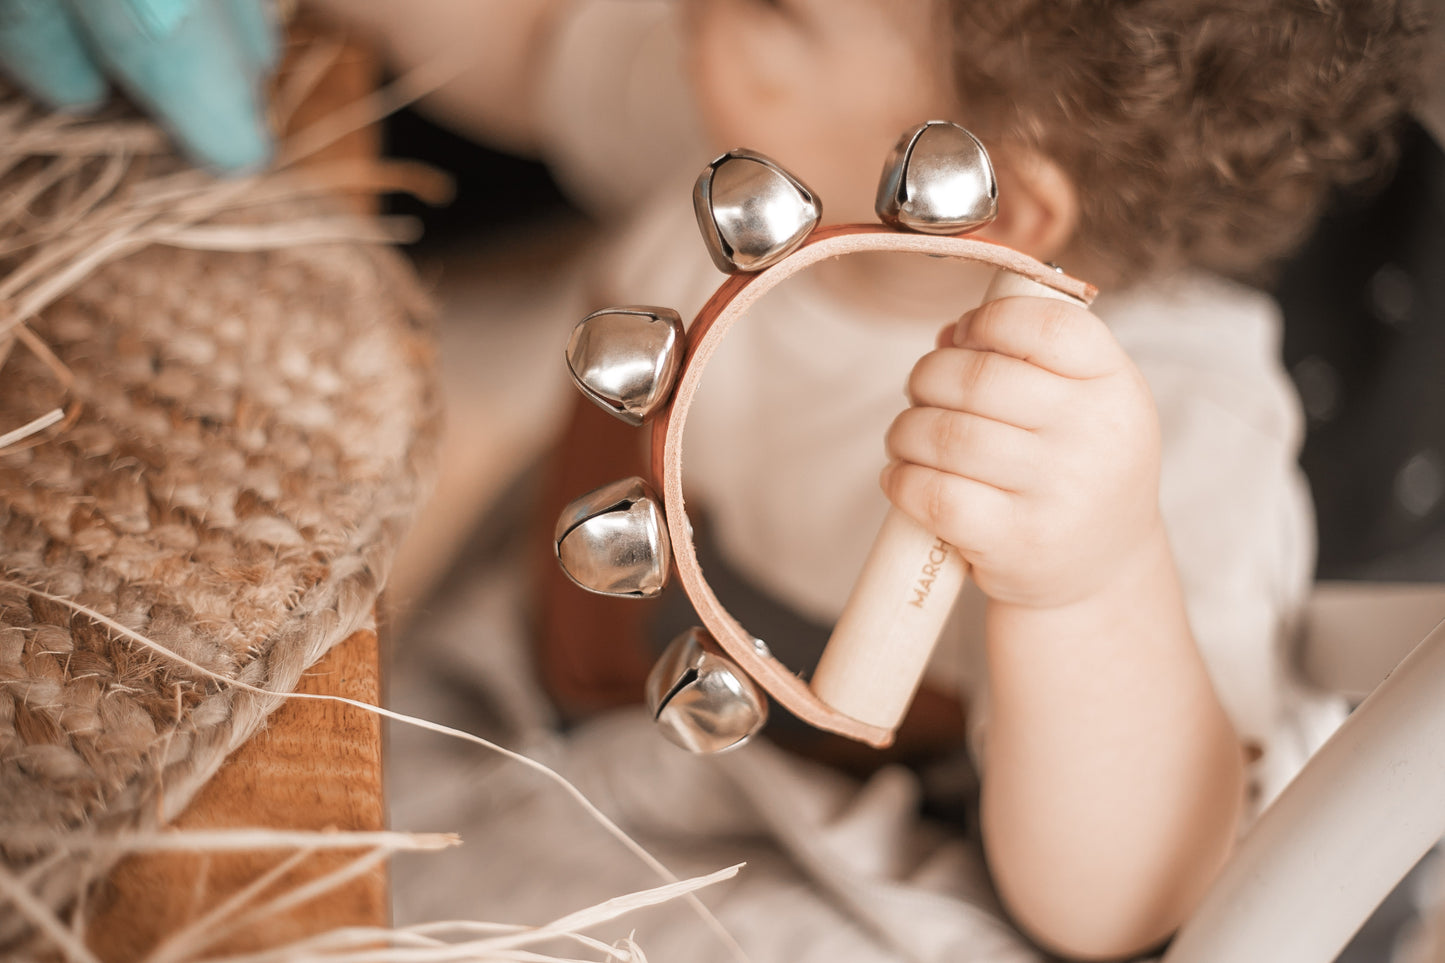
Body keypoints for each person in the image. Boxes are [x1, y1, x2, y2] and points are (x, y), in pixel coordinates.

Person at [313, 1, 1427, 958]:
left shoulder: (1170, 426)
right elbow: (528, 41)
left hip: (825, 863)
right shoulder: (739, 133)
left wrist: (1087, 582)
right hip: (531, 690)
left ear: (979, 194)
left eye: (777, 3)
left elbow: (1131, 899)